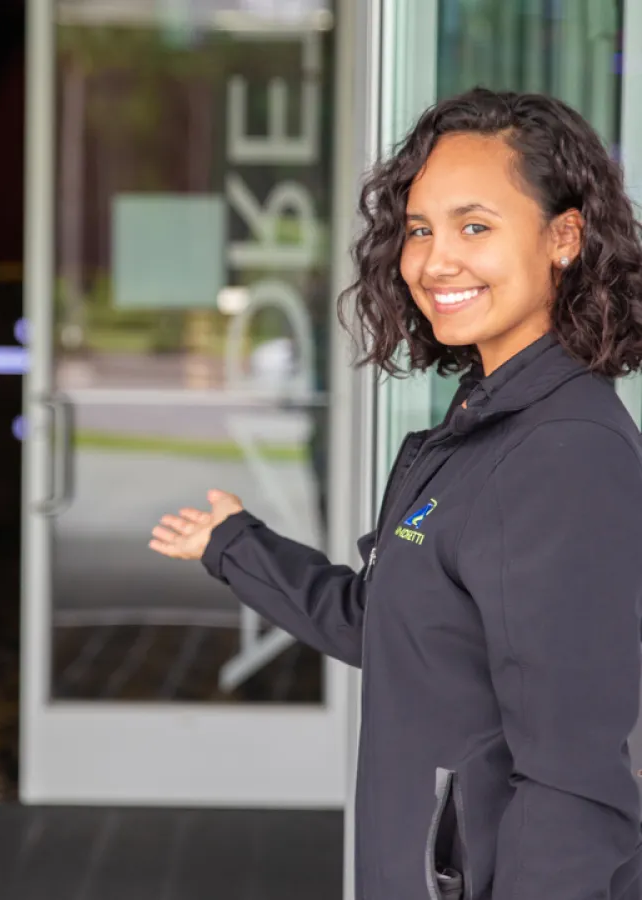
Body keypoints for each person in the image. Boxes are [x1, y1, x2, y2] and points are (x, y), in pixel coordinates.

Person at [149, 87, 642, 900]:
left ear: (564, 237)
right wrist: (236, 546)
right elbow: (392, 627)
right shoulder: (484, 422)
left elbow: (575, 782)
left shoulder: (565, 456)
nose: (434, 261)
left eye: (474, 227)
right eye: (419, 229)